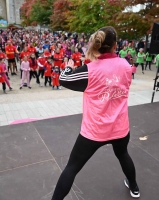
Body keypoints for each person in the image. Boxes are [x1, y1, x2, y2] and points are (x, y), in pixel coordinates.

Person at [52, 26, 139, 199]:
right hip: (120, 128)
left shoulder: (89, 70)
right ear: (115, 45)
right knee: (123, 154)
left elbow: (64, 79)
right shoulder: (126, 65)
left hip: (94, 131)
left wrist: (68, 68)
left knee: (72, 167)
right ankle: (134, 187)